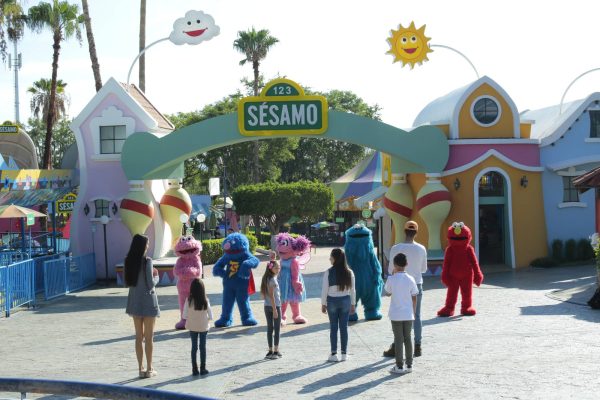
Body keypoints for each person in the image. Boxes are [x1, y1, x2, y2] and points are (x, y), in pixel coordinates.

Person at [383, 220, 427, 358]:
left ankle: (396, 345)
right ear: (416, 232)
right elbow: (423, 269)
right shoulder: (421, 248)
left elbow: (390, 270)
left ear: (404, 231)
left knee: (399, 315)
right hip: (416, 284)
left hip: (398, 284)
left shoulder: (396, 248)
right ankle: (417, 346)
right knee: (416, 316)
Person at [124, 234, 160, 378]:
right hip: (148, 301)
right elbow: (150, 284)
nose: (148, 246)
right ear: (143, 246)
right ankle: (150, 369)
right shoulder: (147, 261)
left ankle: (140, 369)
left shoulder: (128, 261)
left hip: (134, 301)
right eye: (147, 243)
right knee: (149, 337)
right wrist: (156, 276)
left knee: (138, 336)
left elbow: (128, 282)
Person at [385, 253, 418, 374]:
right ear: (406, 264)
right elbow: (414, 297)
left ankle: (399, 366)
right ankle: (409, 364)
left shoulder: (391, 279)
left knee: (398, 339)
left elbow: (387, 293)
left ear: (394, 265)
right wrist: (413, 311)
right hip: (408, 313)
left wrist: (392, 275)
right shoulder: (411, 279)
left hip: (395, 314)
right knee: (408, 338)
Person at [321, 248, 356, 362]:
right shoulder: (349, 272)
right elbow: (353, 290)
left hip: (332, 301)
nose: (329, 259)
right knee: (344, 327)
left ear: (335, 258)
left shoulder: (328, 272)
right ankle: (344, 354)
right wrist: (353, 304)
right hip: (345, 300)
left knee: (333, 327)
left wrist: (323, 304)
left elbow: (324, 289)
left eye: (331, 257)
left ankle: (334, 353)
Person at [183, 278, 212, 376]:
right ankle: (203, 368)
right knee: (203, 347)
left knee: (194, 347)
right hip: (203, 327)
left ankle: (194, 369)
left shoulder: (188, 300)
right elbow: (211, 316)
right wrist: (206, 319)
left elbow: (184, 315)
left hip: (192, 327)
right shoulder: (205, 300)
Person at [261, 253, 282, 359]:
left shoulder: (266, 278)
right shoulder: (272, 280)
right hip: (275, 306)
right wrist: (275, 309)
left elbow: (263, 295)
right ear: (271, 269)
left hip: (266, 306)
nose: (278, 269)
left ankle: (270, 351)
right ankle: (275, 351)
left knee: (270, 328)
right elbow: (272, 296)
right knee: (276, 329)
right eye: (276, 268)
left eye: (279, 268)